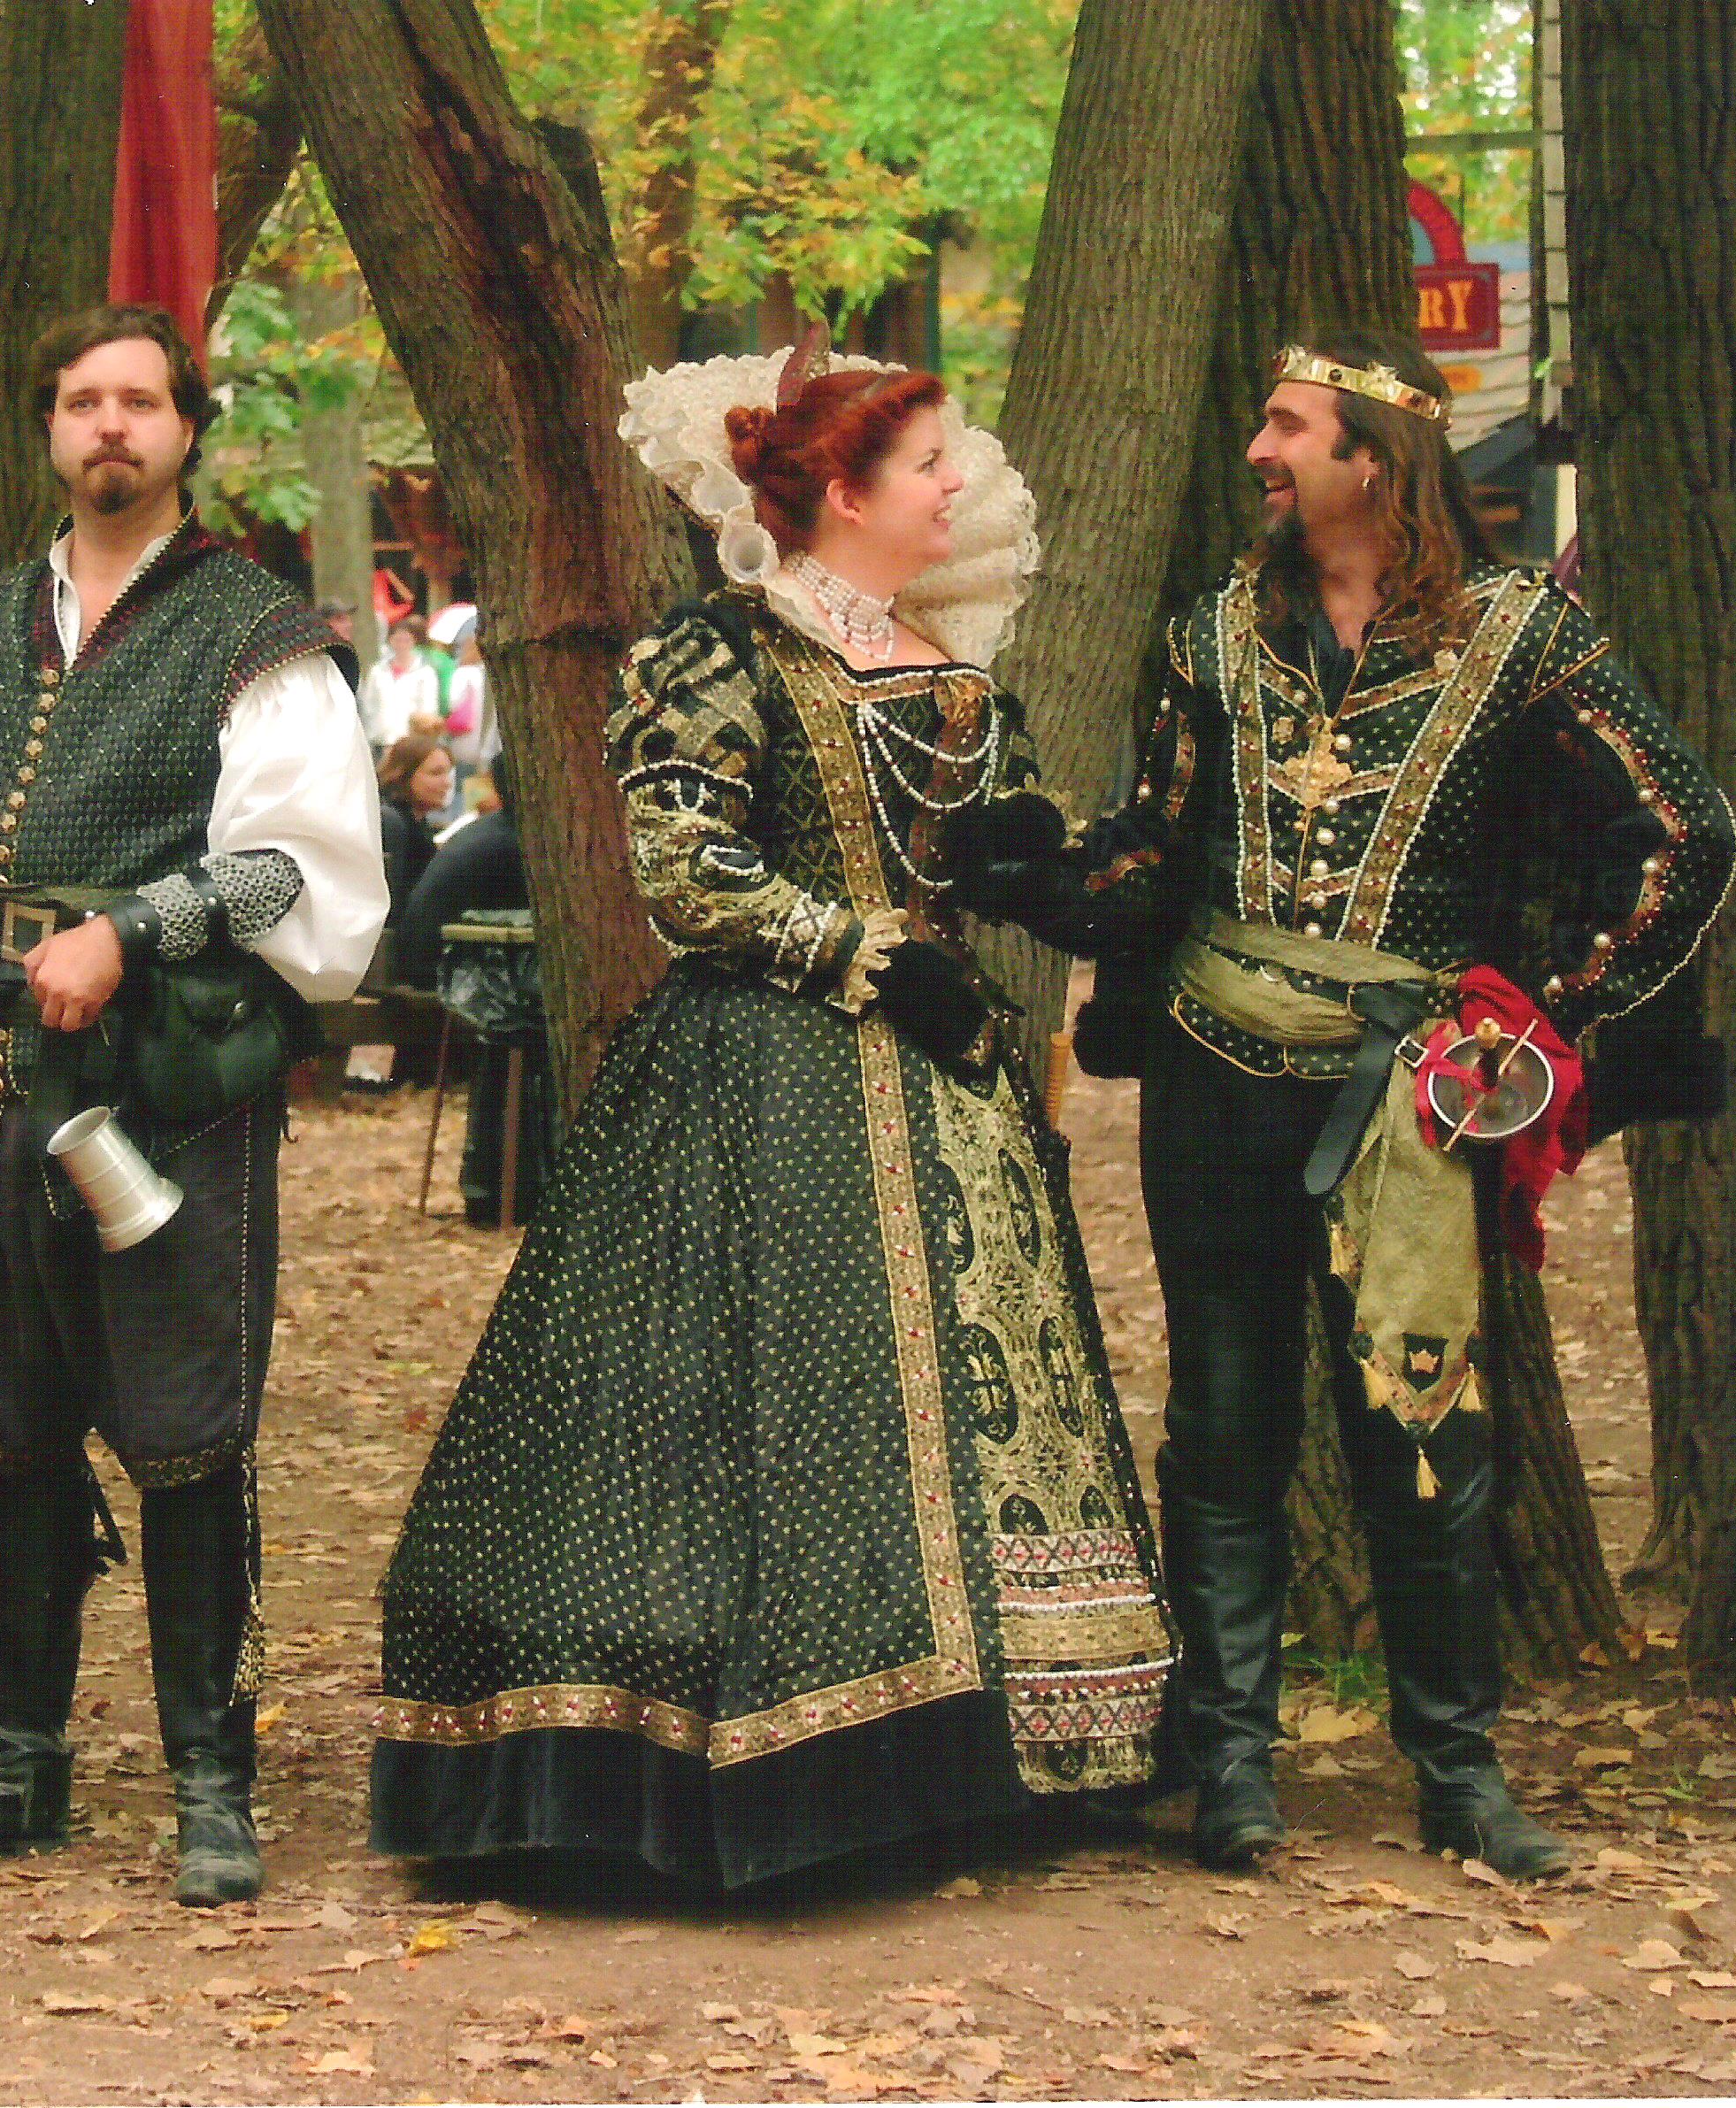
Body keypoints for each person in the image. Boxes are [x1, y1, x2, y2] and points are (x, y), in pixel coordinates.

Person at [371, 340, 1177, 1890]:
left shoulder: (946, 664)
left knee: (976, 1402)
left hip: (950, 1097)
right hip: (762, 1080)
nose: (955, 485)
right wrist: (861, 950)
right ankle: (748, 1760)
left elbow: (997, 848)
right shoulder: (720, 650)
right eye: (927, 463)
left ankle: (991, 1749)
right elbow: (681, 865)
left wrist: (1062, 873)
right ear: (842, 493)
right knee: (766, 1403)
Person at [980, 331, 1736, 1881]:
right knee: (1221, 1424)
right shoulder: (1209, 634)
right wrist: (1032, 869)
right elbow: (1153, 853)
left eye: (1287, 427)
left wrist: (1542, 1015)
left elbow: (1681, 831)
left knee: (1420, 1423)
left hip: (1405, 1096)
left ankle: (1456, 1772)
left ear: (1374, 460)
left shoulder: (1522, 636)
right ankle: (1228, 1765)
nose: (1258, 452)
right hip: (1211, 1073)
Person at [0, 303, 381, 1906]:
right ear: (49, 428)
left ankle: (214, 1780)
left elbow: (298, 863)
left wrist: (130, 931)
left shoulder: (254, 630)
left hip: (172, 1083)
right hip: (0, 1075)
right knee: (5, 1423)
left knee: (186, 1429)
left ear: (186, 429)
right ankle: (19, 1766)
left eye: (140, 400)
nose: (110, 426)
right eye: (83, 400)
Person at [393, 753, 550, 1227]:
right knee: (531, 1034)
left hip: (448, 962)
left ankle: (507, 1186)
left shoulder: (500, 832)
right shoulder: (518, 842)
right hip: (441, 971)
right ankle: (516, 1188)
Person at [377, 731, 453, 906]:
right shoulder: (391, 823)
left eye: (448, 773)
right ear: (403, 774)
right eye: (436, 773)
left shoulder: (418, 822)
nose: (447, 783)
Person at [360, 612, 440, 753]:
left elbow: (428, 707)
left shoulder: (425, 673)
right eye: (398, 640)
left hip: (409, 742)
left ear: (414, 641)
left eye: (406, 640)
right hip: (379, 740)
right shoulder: (377, 671)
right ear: (390, 640)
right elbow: (368, 705)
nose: (402, 644)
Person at [435, 606, 494, 783]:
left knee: (460, 786)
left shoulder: (463, 673)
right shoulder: (488, 674)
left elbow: (450, 702)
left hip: (461, 741)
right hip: (485, 747)